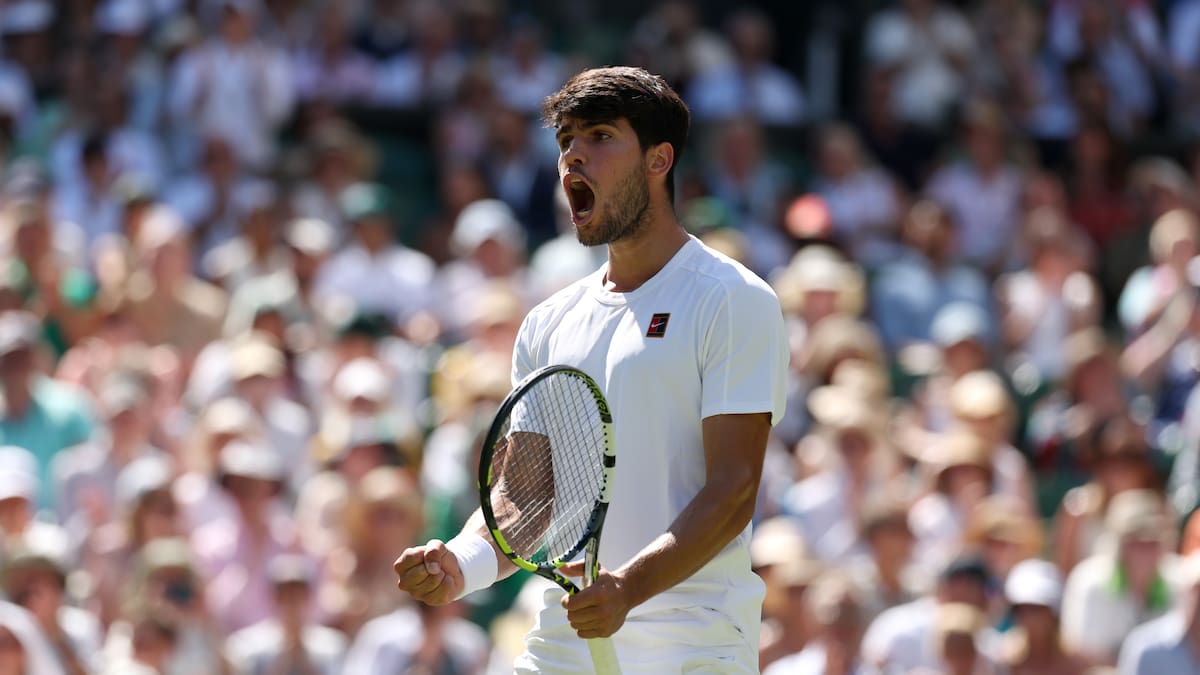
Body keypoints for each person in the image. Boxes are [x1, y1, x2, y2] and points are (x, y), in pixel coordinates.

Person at [393, 66, 788, 673]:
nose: (573, 156)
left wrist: (627, 588)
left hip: (694, 647)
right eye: (566, 141)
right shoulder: (547, 323)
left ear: (659, 161)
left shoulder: (733, 299)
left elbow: (733, 489)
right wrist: (464, 562)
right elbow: (527, 496)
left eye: (600, 136)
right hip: (564, 642)